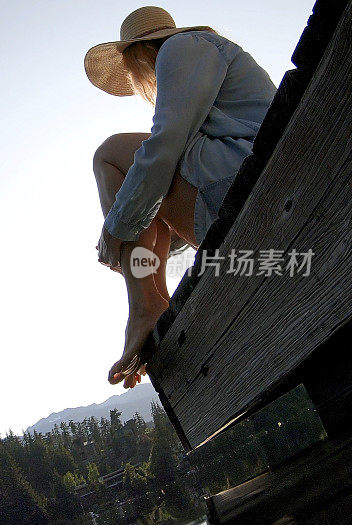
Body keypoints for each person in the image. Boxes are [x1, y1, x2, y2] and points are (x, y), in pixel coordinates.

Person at [84, 6, 276, 388]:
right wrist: (129, 227)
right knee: (141, 186)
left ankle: (145, 303)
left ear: (137, 53)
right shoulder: (199, 60)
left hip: (248, 179)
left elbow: (166, 144)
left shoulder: (183, 45)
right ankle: (150, 303)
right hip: (252, 187)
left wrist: (115, 228)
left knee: (110, 155)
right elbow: (159, 207)